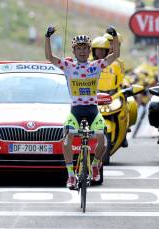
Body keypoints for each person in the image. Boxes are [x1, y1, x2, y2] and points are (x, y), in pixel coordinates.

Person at [45, 25, 120, 188]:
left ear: (89, 50)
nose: (82, 52)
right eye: (79, 48)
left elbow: (116, 55)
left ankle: (94, 165)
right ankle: (71, 175)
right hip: (76, 111)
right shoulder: (68, 66)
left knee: (102, 138)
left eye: (85, 48)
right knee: (67, 139)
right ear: (74, 51)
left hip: (93, 110)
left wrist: (114, 37)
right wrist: (47, 37)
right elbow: (49, 57)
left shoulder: (96, 66)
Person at [92, 35, 129, 147]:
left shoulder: (118, 63)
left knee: (129, 103)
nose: (112, 45)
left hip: (112, 94)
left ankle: (124, 131)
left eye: (114, 43)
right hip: (94, 95)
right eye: (109, 42)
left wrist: (126, 84)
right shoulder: (89, 62)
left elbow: (122, 77)